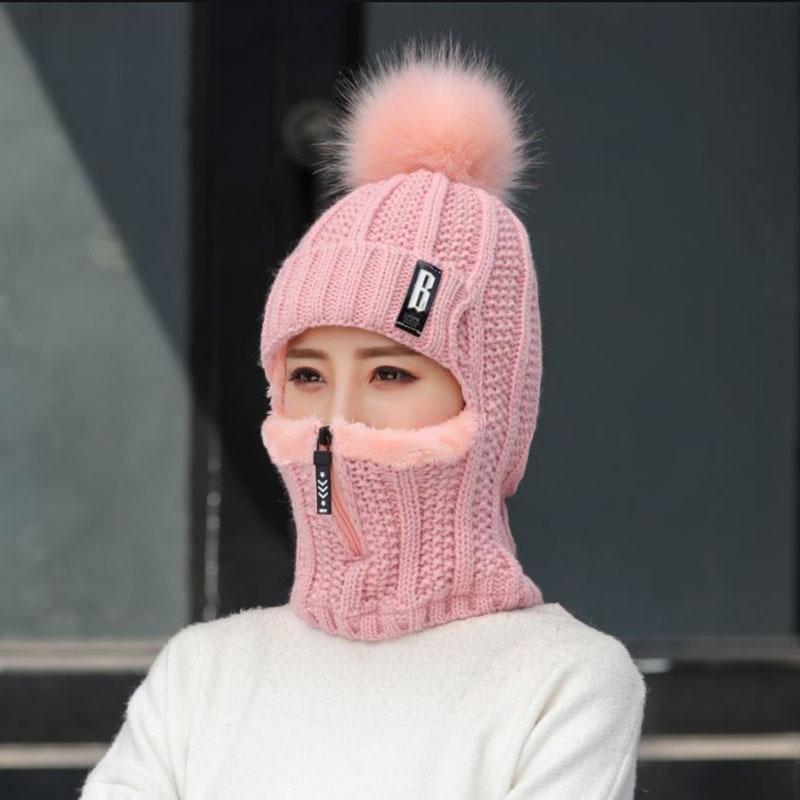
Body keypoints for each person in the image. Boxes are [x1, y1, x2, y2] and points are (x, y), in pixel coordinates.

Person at [80, 35, 648, 799]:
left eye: (390, 372)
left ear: (490, 408)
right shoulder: (200, 673)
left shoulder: (562, 682)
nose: (337, 417)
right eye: (307, 375)